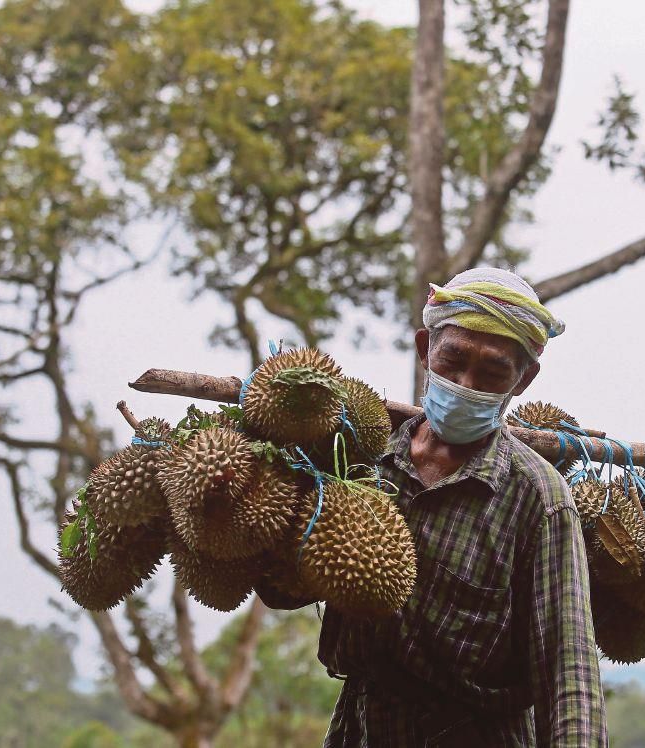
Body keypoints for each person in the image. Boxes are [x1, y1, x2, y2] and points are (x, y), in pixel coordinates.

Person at [257, 267, 607, 747]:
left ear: (524, 379)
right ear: (425, 350)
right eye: (453, 360)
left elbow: (568, 668)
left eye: (493, 372)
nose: (465, 383)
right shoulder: (366, 463)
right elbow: (283, 592)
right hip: (360, 729)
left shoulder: (538, 497)